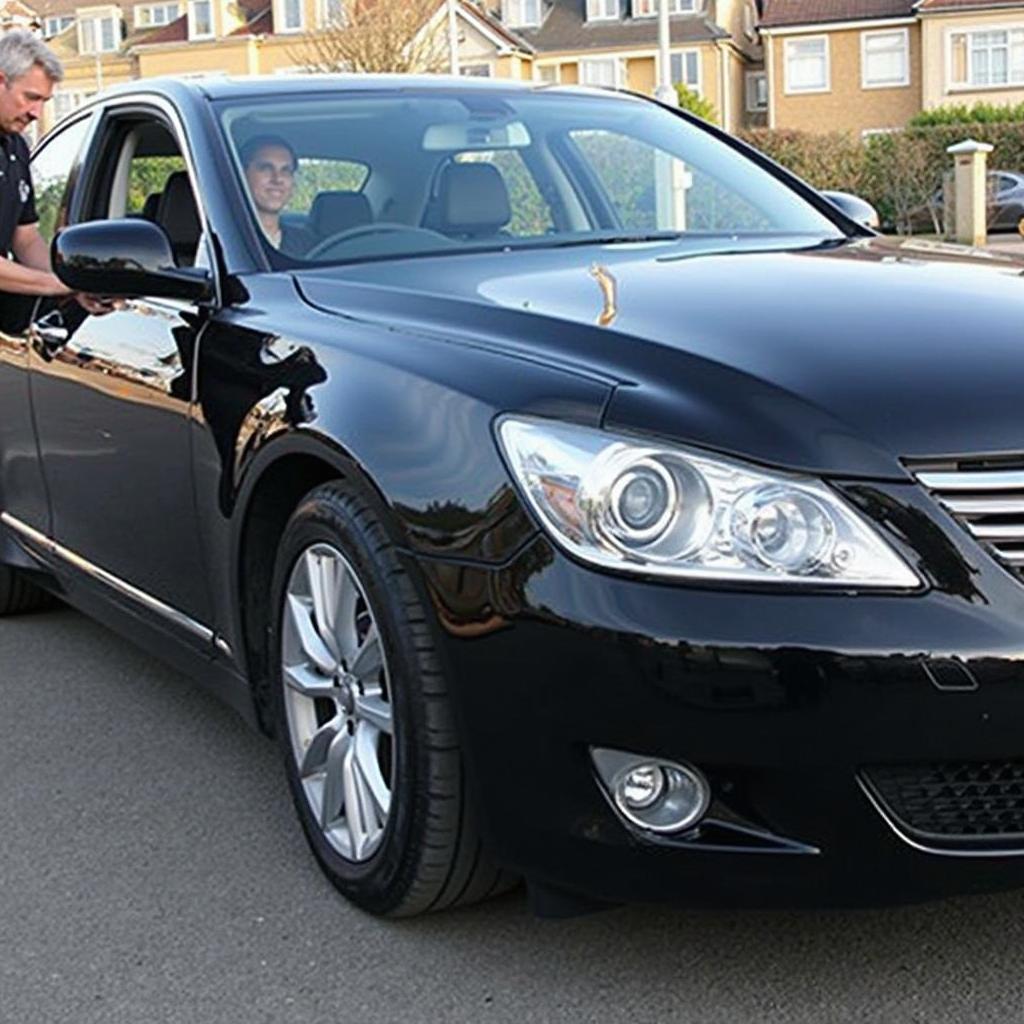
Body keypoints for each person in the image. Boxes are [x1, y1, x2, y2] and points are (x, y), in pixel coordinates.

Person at [0, 31, 71, 297]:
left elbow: (25, 238)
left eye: (44, 101)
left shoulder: (16, 146)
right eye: (31, 97)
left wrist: (71, 285)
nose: (36, 113)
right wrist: (53, 286)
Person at [240, 134, 315, 257]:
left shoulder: (309, 245)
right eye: (266, 168)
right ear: (242, 174)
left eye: (285, 170)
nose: (277, 179)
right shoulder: (226, 240)